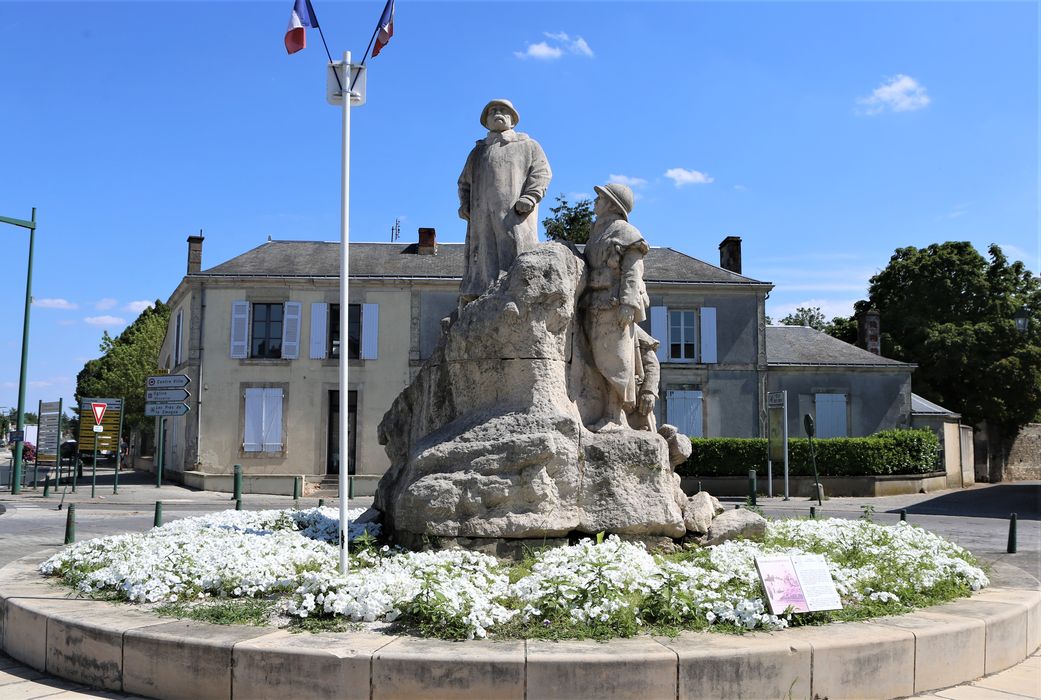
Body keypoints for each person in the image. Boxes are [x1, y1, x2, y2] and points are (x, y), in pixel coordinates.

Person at [457, 99, 552, 303]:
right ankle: (483, 291)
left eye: (503, 110)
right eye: (492, 111)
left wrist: (531, 196)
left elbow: (542, 173)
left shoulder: (527, 145)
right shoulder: (478, 152)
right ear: (486, 121)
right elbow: (464, 182)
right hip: (482, 216)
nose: (497, 113)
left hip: (514, 213)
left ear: (513, 119)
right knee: (483, 252)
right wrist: (465, 204)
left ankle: (516, 289)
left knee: (514, 247)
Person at [580, 182, 650, 432]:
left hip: (614, 306)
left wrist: (628, 304)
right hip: (594, 304)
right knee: (598, 361)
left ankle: (615, 415)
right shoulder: (597, 232)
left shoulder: (626, 232)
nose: (595, 202)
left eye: (600, 198)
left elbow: (633, 272)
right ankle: (599, 412)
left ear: (611, 203)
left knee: (616, 361)